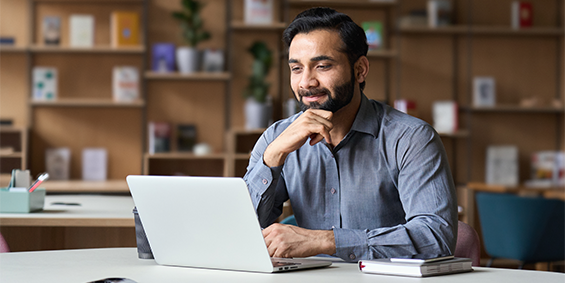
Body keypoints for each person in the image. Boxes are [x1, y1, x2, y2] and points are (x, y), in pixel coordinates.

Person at [243, 7, 458, 262]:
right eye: (297, 68)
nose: (306, 82)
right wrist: (273, 157)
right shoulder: (276, 138)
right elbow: (239, 232)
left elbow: (436, 237)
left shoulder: (412, 138)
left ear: (360, 70)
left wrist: (327, 241)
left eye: (322, 66)